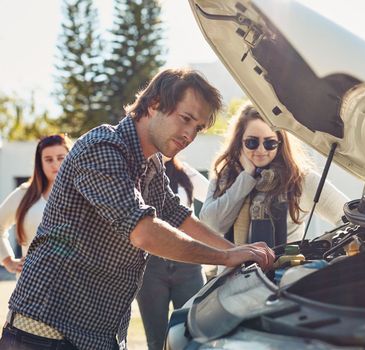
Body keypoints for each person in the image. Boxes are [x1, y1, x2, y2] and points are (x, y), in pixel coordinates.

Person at [0, 69, 274, 350]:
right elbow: (144, 233)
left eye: (198, 128)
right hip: (45, 333)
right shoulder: (102, 147)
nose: (190, 134)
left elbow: (175, 214)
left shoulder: (151, 162)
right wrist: (225, 257)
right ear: (154, 103)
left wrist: (241, 255)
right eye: (186, 119)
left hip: (98, 334)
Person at [200, 103, 349, 247]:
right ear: (239, 142)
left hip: (284, 271)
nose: (261, 150)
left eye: (269, 143)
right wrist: (246, 178)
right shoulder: (226, 175)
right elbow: (211, 225)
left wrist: (320, 248)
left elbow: (351, 218)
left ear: (280, 143)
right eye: (252, 142)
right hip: (232, 272)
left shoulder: (300, 180)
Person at [136, 157, 209, 350]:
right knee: (156, 340)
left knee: (192, 335)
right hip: (151, 267)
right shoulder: (137, 172)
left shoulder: (186, 172)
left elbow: (214, 198)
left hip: (188, 264)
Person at [0, 134, 72, 276]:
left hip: (76, 285)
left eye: (61, 158)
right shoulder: (24, 194)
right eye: (48, 159)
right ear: (40, 163)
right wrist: (8, 261)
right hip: (33, 285)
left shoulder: (83, 193)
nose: (55, 164)